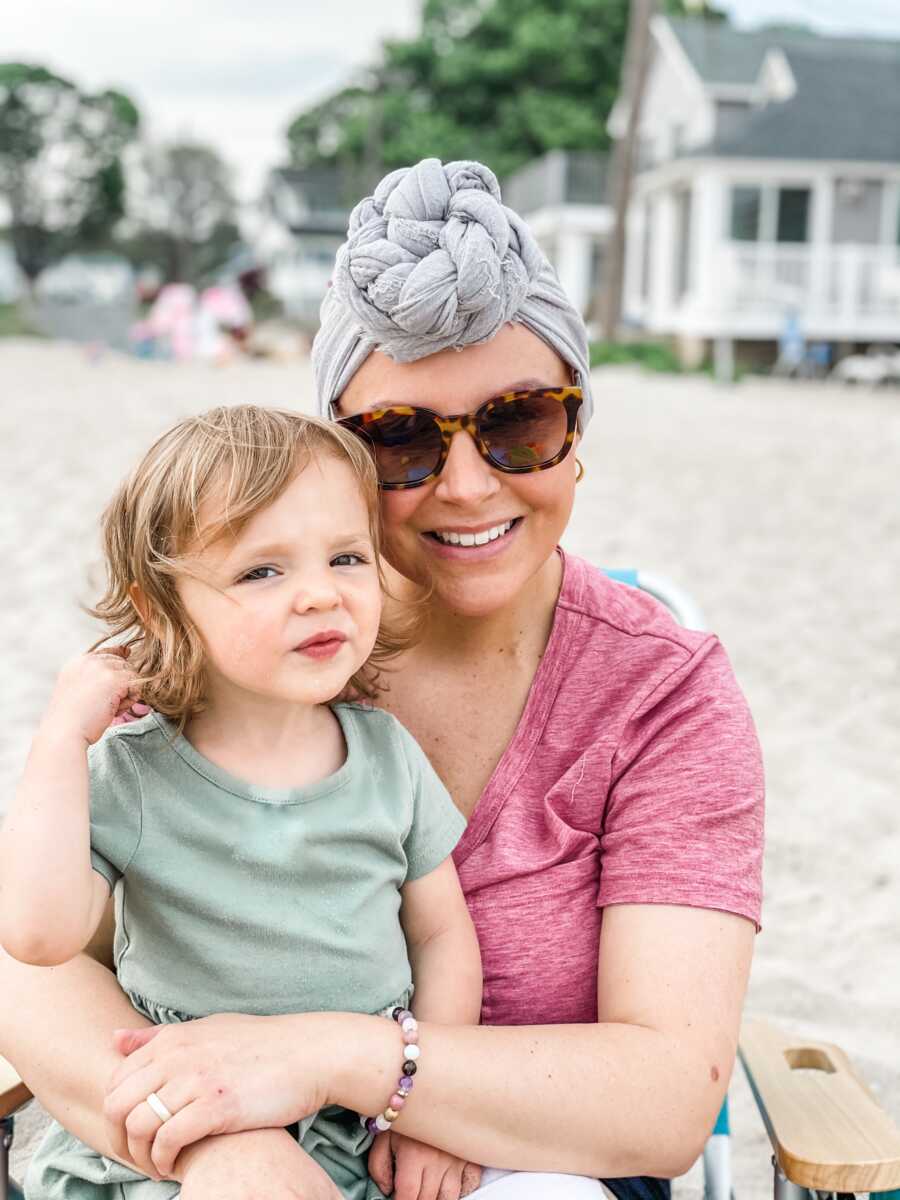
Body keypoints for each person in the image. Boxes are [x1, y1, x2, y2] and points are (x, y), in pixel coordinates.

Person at [0, 159, 764, 1200]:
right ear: (337, 456)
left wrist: (355, 1065)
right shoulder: (234, 667)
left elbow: (669, 1099)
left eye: (520, 423)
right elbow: (36, 960)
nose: (465, 483)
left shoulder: (659, 694)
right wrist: (228, 1145)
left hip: (534, 1168)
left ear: (577, 429)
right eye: (399, 440)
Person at [0, 406, 482, 1200]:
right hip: (189, 1138)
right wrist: (60, 740)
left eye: (347, 558)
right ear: (160, 609)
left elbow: (441, 937)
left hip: (357, 1134)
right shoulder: (136, 775)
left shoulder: (387, 758)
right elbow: (37, 935)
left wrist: (433, 1113)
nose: (320, 595)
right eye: (264, 571)